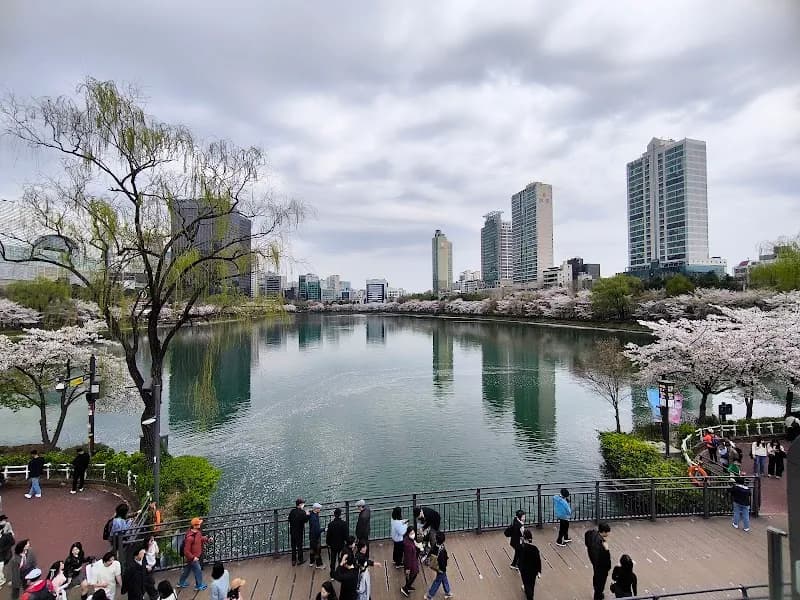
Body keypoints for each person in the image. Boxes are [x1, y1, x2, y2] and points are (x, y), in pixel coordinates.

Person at [177, 517, 213, 591]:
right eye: (199, 524)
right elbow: (186, 551)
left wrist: (207, 539)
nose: (200, 524)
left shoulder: (197, 532)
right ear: (195, 525)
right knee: (198, 571)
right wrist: (193, 557)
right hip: (193, 558)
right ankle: (199, 585)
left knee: (187, 570)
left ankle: (181, 583)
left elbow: (200, 539)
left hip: (194, 557)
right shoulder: (190, 538)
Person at [585, 522, 611, 600]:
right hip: (601, 566)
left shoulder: (592, 534)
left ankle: (597, 591)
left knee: (596, 577)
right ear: (603, 532)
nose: (608, 534)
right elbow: (605, 558)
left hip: (594, 562)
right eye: (607, 532)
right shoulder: (601, 545)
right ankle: (598, 595)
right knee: (600, 582)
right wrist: (607, 549)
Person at [423, 531, 451, 600]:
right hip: (441, 568)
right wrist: (443, 569)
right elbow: (443, 562)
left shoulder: (435, 545)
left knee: (441, 579)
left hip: (436, 566)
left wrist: (427, 558)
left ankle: (446, 592)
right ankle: (431, 595)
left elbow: (430, 552)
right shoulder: (442, 550)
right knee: (439, 580)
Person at [518, 529, 541, 600]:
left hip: (524, 570)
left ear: (524, 538)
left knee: (526, 584)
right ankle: (531, 595)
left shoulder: (522, 548)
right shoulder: (535, 549)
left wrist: (519, 568)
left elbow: (520, 560)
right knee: (532, 584)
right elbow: (538, 561)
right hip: (533, 570)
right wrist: (539, 571)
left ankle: (530, 597)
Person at [325, 508, 348, 578]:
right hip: (341, 544)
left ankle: (332, 574)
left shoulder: (330, 524)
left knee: (333, 559)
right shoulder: (344, 524)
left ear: (334, 515)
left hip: (333, 545)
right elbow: (346, 536)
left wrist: (328, 543)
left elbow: (328, 536)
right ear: (340, 515)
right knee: (341, 558)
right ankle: (340, 572)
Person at [400, 526, 421, 597]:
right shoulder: (408, 545)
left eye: (413, 532)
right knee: (413, 575)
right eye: (411, 533)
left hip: (412, 561)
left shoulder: (408, 540)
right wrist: (408, 568)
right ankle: (405, 588)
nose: (413, 534)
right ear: (408, 533)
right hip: (411, 563)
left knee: (410, 576)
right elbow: (408, 558)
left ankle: (408, 587)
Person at [288, 498, 309, 566]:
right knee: (299, 546)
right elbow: (305, 520)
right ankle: (300, 559)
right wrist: (307, 514)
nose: (304, 505)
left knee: (293, 546)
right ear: (300, 504)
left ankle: (293, 560)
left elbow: (289, 519)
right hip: (299, 532)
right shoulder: (302, 512)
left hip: (292, 531)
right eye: (303, 504)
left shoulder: (292, 511)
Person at [0, 514, 15, 588]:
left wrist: (11, 534)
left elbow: (12, 542)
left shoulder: (6, 535)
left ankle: (1, 580)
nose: (4, 521)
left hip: (3, 556)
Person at [308, 503, 324, 569]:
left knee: (312, 549)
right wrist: (324, 529)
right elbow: (317, 530)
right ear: (316, 509)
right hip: (316, 537)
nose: (320, 510)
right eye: (319, 508)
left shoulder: (311, 514)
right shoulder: (314, 518)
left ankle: (311, 561)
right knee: (317, 551)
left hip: (311, 535)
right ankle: (319, 564)